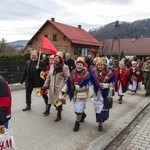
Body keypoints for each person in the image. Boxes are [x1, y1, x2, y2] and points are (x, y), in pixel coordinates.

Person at [42, 52, 70, 121]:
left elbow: (68, 78)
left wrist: (65, 88)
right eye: (54, 58)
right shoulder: (52, 67)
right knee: (50, 99)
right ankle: (48, 110)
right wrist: (45, 85)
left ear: (60, 59)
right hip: (52, 87)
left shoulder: (64, 67)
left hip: (60, 88)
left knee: (58, 101)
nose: (55, 59)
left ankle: (59, 115)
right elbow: (49, 77)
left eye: (57, 58)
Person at [91, 57, 115, 131]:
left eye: (102, 65)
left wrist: (105, 85)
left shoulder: (109, 72)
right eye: (99, 64)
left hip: (105, 93)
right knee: (98, 108)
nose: (100, 66)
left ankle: (102, 120)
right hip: (96, 92)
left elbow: (113, 82)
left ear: (105, 65)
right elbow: (90, 81)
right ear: (97, 65)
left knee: (104, 108)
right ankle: (100, 123)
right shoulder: (93, 71)